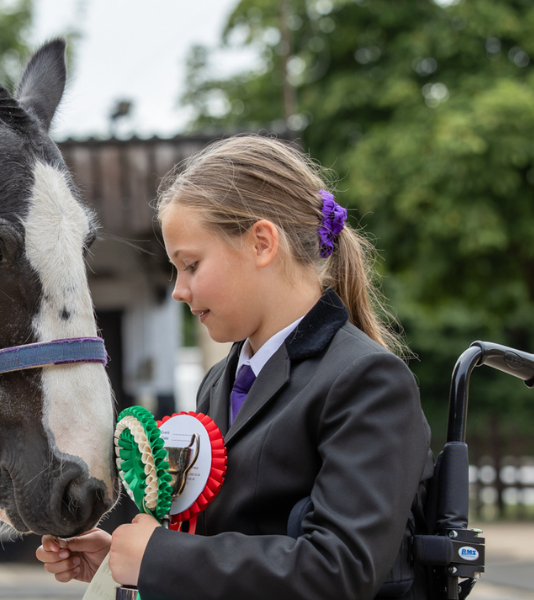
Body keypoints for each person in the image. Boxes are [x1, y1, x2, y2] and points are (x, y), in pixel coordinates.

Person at [36, 135, 434, 600]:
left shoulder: (367, 381)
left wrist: (161, 558)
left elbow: (339, 570)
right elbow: (223, 541)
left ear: (262, 243)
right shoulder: (219, 383)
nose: (178, 291)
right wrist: (124, 564)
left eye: (191, 265)